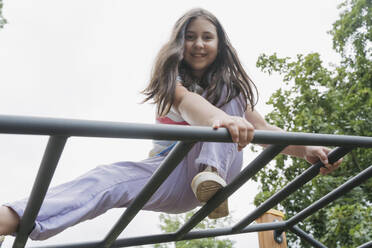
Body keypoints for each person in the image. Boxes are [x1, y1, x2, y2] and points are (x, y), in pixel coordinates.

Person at [0, 8, 342, 242]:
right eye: (189, 37)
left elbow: (267, 134)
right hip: (168, 175)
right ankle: (13, 217)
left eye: (207, 37)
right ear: (178, 44)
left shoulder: (232, 94)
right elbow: (192, 107)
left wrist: (308, 149)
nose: (198, 44)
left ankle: (213, 174)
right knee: (105, 178)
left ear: (219, 44)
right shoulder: (171, 85)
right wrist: (219, 120)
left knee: (232, 97)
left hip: (220, 167)